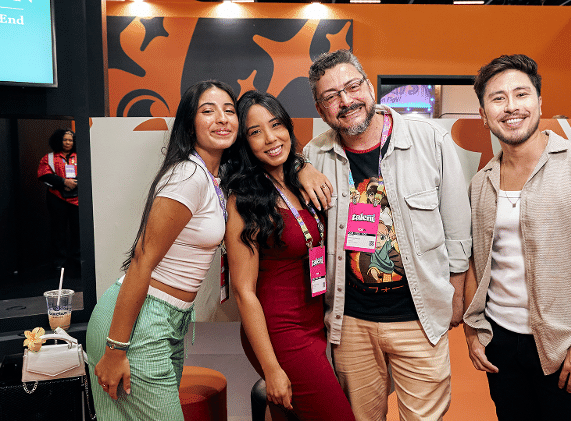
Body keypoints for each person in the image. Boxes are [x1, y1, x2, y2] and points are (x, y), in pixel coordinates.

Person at [303, 49, 471, 421]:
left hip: (419, 319)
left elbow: (459, 230)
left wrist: (455, 299)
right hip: (352, 325)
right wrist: (298, 167)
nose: (346, 101)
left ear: (369, 86)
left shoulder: (429, 140)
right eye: (331, 96)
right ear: (320, 108)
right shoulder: (314, 157)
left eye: (352, 87)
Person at [462, 54, 571, 421]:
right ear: (483, 113)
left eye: (521, 94)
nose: (511, 107)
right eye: (498, 98)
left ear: (539, 101)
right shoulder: (481, 183)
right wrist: (472, 331)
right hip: (500, 341)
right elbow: (478, 261)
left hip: (567, 344)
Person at [86, 80, 239, 420]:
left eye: (229, 110)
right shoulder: (188, 175)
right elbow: (142, 259)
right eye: (208, 110)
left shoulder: (214, 177)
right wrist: (114, 350)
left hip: (169, 320)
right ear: (189, 123)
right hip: (140, 323)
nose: (222, 118)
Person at [224, 90, 355, 421]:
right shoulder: (244, 199)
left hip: (314, 323)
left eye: (276, 124)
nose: (270, 138)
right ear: (244, 142)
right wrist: (271, 369)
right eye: (255, 132)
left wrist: (303, 163)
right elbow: (243, 291)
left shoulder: (300, 181)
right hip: (280, 330)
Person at [37, 128, 79, 270]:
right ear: (58, 141)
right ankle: (59, 262)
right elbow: (44, 175)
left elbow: (89, 172)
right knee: (58, 230)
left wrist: (74, 184)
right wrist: (63, 183)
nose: (68, 142)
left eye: (71, 140)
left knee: (78, 230)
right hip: (57, 199)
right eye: (65, 139)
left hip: (78, 200)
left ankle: (78, 260)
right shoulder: (48, 158)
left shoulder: (81, 156)